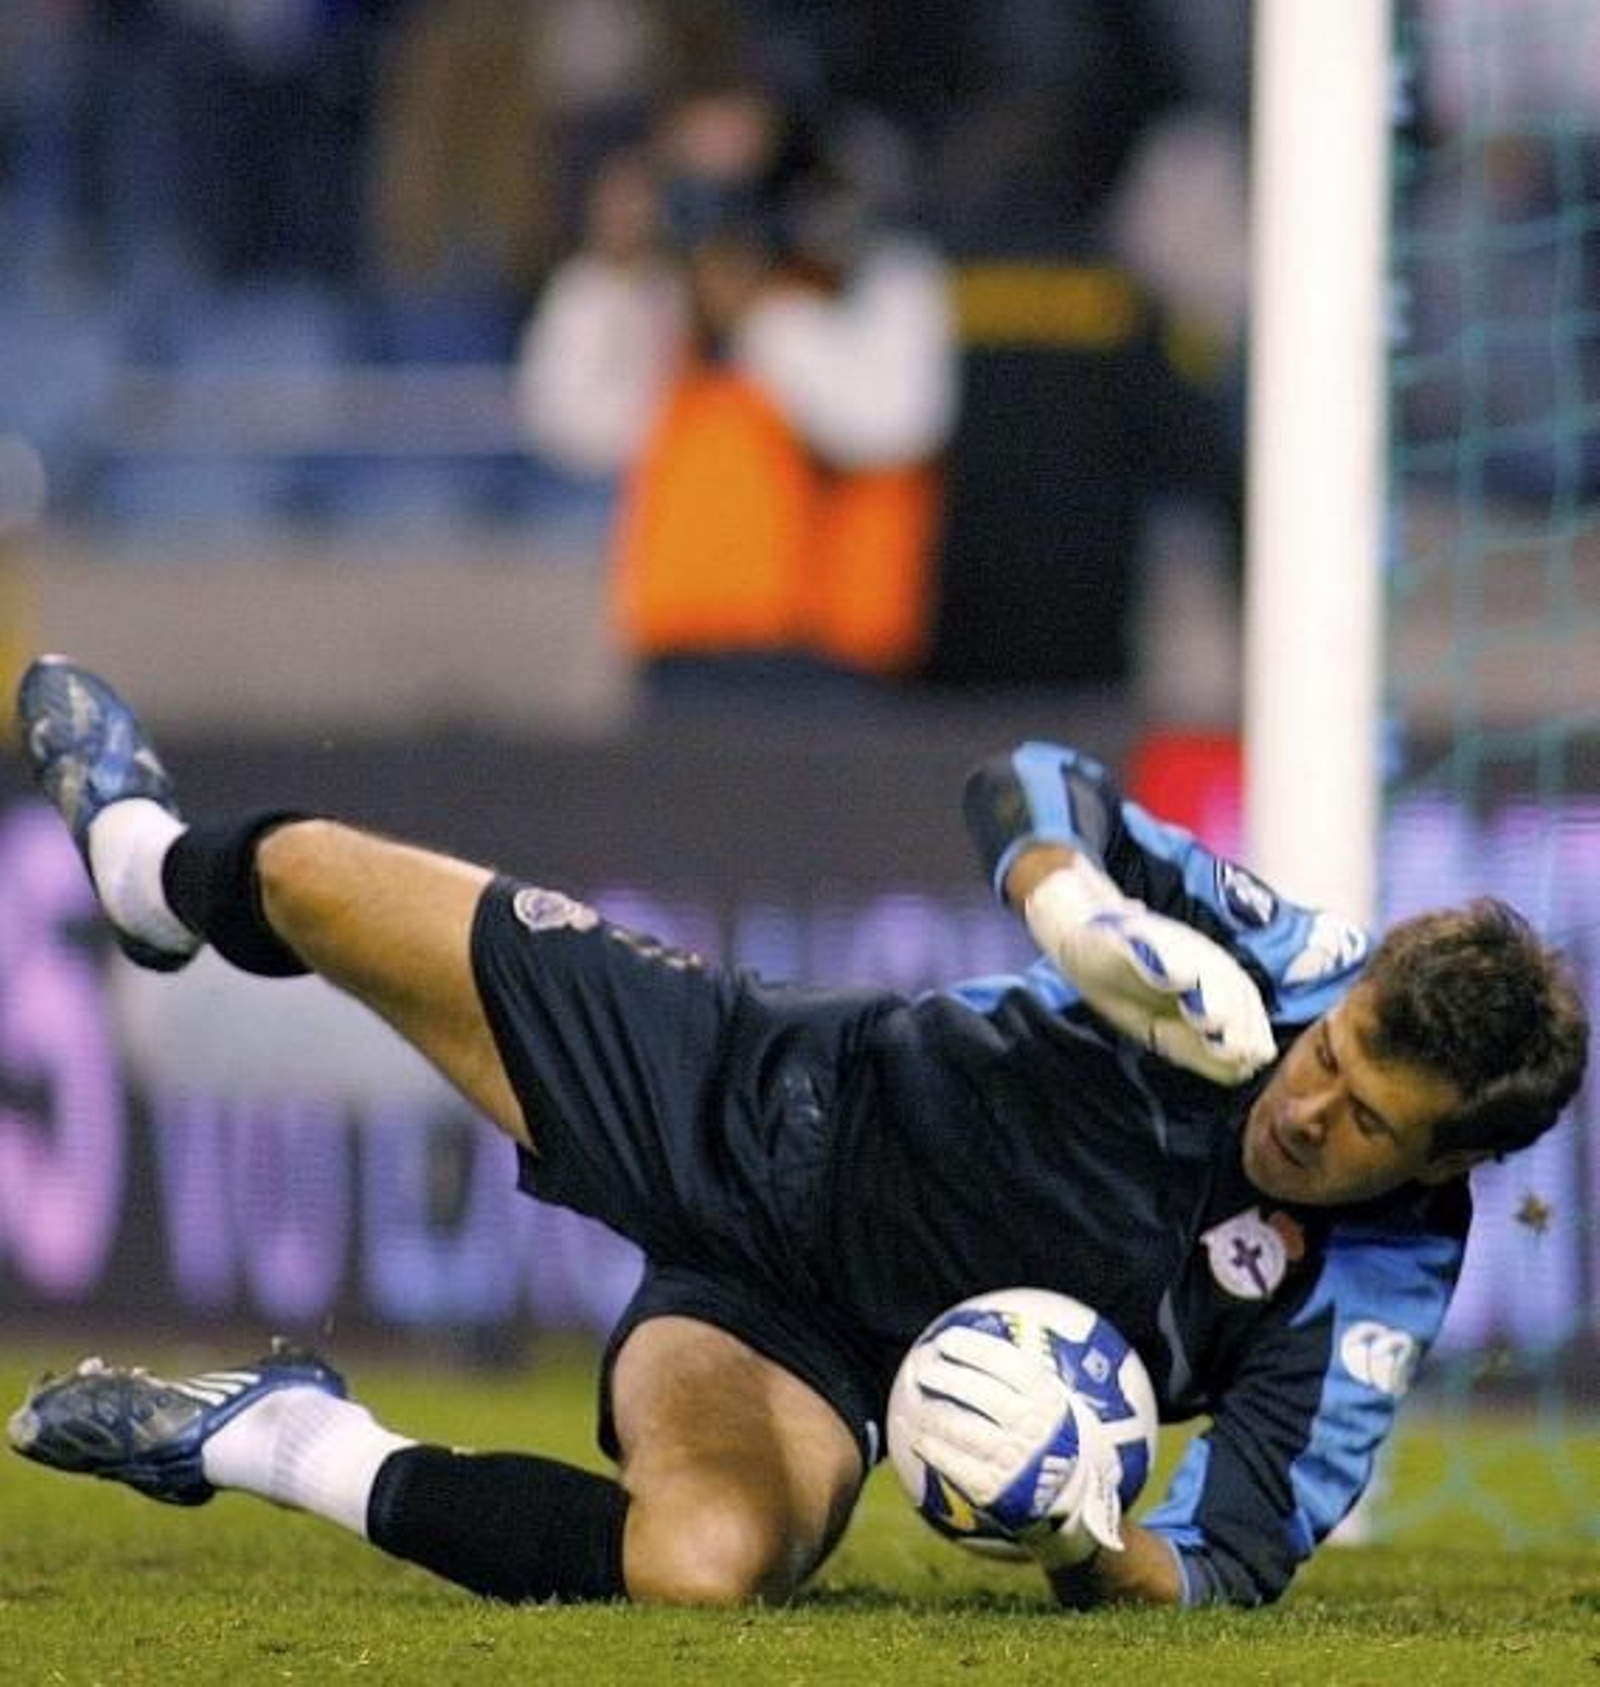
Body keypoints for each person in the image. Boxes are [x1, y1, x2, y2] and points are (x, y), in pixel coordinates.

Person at [7, 655, 1589, 1610]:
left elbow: (1226, 1558)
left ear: (1448, 1164)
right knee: (317, 876)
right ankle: (147, 869)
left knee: (700, 1563)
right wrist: (1072, 898)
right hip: (751, 1084)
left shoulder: (1369, 1294)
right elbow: (1036, 776)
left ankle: (273, 1435)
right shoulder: (1280, 957)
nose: (1307, 1103)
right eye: (1330, 1053)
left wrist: (1075, 1528)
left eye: (1369, 1119)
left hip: (814, 1349)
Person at [515, 79, 957, 707]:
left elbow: (892, 425)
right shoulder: (668, 293)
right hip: (682, 648)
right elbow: (571, 424)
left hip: (829, 655)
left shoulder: (877, 278)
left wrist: (763, 315)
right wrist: (607, 273)